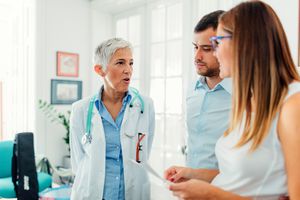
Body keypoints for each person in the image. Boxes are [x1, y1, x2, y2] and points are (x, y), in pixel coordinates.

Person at [164, 1, 300, 199]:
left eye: (217, 43)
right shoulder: (249, 102)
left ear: (245, 43)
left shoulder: (293, 104)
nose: (216, 53)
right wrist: (192, 174)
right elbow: (235, 177)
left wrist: (211, 195)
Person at [70, 38, 155, 200]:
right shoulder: (81, 109)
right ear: (100, 70)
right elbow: (78, 161)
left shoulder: (145, 106)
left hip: (132, 192)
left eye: (131, 63)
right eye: (120, 63)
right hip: (93, 193)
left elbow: (144, 152)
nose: (128, 70)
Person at [186, 10, 231, 170]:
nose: (197, 56)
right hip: (190, 188)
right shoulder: (192, 90)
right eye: (195, 47)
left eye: (206, 48)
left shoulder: (245, 96)